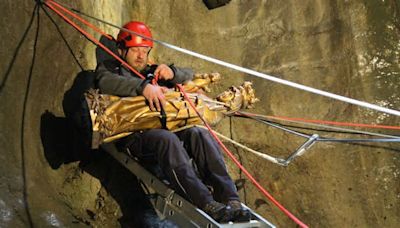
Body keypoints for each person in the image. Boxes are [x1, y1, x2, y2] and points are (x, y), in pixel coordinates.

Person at [95, 21, 250, 223]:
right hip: (134, 136)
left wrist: (172, 72)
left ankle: (230, 198)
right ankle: (206, 203)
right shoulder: (111, 69)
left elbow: (190, 75)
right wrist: (142, 87)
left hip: (167, 128)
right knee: (166, 139)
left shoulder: (152, 71)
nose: (141, 56)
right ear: (122, 50)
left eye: (145, 50)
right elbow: (104, 81)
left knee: (198, 133)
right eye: (135, 51)